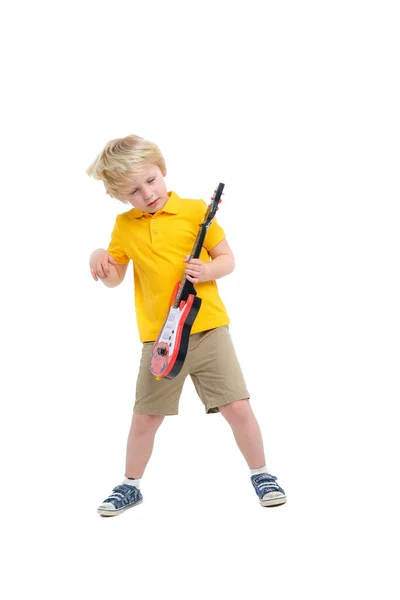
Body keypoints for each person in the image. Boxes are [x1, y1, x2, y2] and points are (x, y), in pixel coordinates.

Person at [87, 134, 286, 517]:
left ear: (162, 171)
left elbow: (228, 259)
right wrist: (100, 258)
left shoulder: (197, 211)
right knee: (146, 416)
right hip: (160, 338)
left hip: (208, 329)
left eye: (150, 180)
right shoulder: (124, 226)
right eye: (133, 190)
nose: (147, 193)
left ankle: (261, 474)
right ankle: (130, 486)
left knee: (238, 408)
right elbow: (115, 277)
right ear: (120, 197)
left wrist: (208, 269)